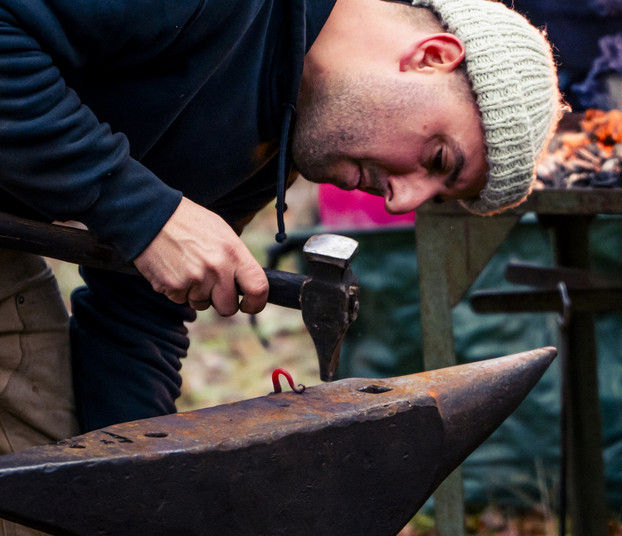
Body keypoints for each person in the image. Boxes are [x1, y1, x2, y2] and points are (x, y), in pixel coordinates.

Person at [0, 0, 561, 484]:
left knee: (48, 473)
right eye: (438, 159)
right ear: (432, 56)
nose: (403, 203)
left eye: (435, 195)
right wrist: (139, 207)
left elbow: (136, 313)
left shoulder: (272, 138)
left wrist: (142, 479)